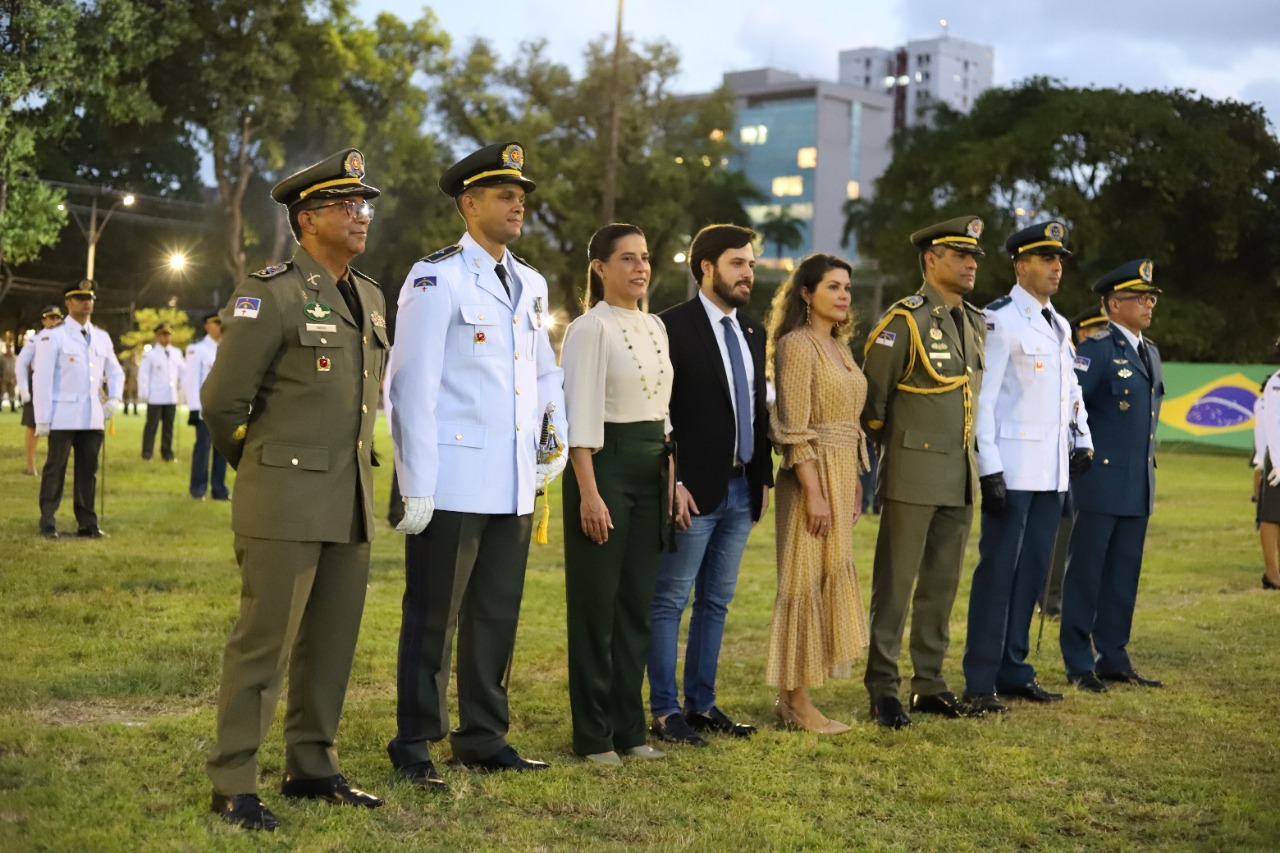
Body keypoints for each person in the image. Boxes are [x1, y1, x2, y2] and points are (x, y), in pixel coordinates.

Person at [201, 148, 387, 831]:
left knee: (330, 644)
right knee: (263, 644)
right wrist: (261, 465)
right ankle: (233, 782)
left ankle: (313, 766)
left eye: (364, 204)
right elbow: (223, 402)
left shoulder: (367, 295)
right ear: (306, 219)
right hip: (282, 500)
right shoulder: (269, 292)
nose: (361, 214)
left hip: (349, 499)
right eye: (347, 205)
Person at [386, 141, 567, 789]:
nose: (519, 202)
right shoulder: (436, 277)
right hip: (453, 480)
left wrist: (557, 433)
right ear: (469, 204)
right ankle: (414, 739)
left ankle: (483, 734)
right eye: (503, 193)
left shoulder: (532, 282)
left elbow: (544, 372)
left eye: (521, 194)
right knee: (434, 615)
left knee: (496, 613)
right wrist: (416, 481)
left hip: (513, 478)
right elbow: (408, 384)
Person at [646, 224, 772, 748]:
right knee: (670, 600)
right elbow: (659, 412)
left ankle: (702, 704)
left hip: (743, 489)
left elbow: (756, 414)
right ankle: (666, 711)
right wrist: (671, 480)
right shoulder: (668, 327)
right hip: (692, 491)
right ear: (706, 267)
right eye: (738, 264)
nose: (748, 273)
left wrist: (763, 476)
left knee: (717, 601)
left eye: (750, 264)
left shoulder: (752, 332)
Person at [860, 216, 987, 728]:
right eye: (960, 255)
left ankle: (929, 683)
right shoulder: (903, 321)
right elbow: (872, 403)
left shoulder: (974, 321)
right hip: (912, 469)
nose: (971, 264)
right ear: (930, 260)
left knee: (941, 585)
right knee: (895, 587)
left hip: (959, 472)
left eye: (974, 256)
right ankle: (883, 689)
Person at [962, 222, 1093, 713]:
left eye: (1060, 259)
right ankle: (980, 678)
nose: (1057, 267)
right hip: (1012, 472)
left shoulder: (1058, 324)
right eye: (1045, 259)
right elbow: (984, 400)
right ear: (1021, 266)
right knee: (999, 573)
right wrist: (989, 468)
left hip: (1052, 473)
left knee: (1033, 573)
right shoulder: (999, 320)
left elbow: (1070, 393)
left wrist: (1083, 440)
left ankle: (1014, 669)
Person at [560, 223, 673, 765]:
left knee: (635, 609)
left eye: (645, 257)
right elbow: (577, 417)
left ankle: (632, 731)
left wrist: (671, 484)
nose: (640, 267)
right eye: (626, 258)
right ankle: (594, 735)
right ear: (600, 267)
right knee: (595, 609)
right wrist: (588, 492)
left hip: (652, 472)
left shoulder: (655, 325)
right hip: (604, 469)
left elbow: (663, 412)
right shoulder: (589, 329)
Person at [766, 253, 869, 734]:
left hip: (841, 471)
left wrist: (852, 483)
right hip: (809, 477)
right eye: (832, 286)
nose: (844, 295)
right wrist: (816, 492)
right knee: (801, 582)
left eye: (847, 287)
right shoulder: (797, 345)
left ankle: (797, 695)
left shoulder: (841, 349)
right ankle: (796, 701)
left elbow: (849, 425)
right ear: (806, 294)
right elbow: (793, 427)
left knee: (826, 579)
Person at [1061, 259, 1166, 693]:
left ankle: (1114, 656)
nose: (1149, 304)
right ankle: (1079, 661)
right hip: (1100, 481)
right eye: (1140, 298)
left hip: (1138, 483)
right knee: (1086, 572)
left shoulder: (1151, 352)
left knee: (1124, 573)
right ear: (1113, 305)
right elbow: (1071, 404)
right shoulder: (1098, 350)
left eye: (1151, 297)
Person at [32, 281, 124, 539]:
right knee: (55, 469)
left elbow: (115, 370)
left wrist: (114, 398)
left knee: (88, 472)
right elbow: (42, 378)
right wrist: (42, 418)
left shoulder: (102, 337)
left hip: (92, 415)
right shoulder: (53, 336)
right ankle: (48, 521)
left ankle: (87, 523)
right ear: (68, 303)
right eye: (80, 298)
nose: (87, 302)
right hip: (62, 415)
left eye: (90, 298)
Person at [185, 312, 229, 500]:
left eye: (221, 323)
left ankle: (219, 489)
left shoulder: (227, 348)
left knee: (223, 452)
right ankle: (198, 489)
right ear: (206, 326)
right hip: (205, 409)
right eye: (215, 323)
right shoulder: (198, 349)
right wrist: (195, 407)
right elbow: (191, 380)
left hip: (224, 410)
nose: (219, 326)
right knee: (202, 451)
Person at [16, 306, 64, 476]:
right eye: (50, 318)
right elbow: (21, 363)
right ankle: (30, 465)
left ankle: (56, 466)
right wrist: (23, 389)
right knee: (32, 426)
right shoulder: (35, 340)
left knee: (59, 430)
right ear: (43, 320)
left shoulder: (64, 339)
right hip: (38, 384)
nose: (54, 321)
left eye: (57, 318)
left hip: (59, 386)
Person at [138, 322, 184, 461]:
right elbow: (143, 375)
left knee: (168, 427)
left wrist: (183, 390)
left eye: (168, 335)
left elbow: (184, 372)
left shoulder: (176, 353)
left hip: (171, 396)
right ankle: (147, 453)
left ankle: (167, 453)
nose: (167, 338)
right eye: (164, 335)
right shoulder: (150, 354)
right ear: (157, 336)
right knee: (151, 426)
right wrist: (144, 393)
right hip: (155, 396)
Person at [1256, 365, 1280, 589]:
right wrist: (1277, 462)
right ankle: (1272, 574)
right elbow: (1273, 425)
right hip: (1278, 457)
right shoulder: (1277, 381)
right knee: (1272, 516)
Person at [121, 350, 139, 415]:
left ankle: (135, 410)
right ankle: (126, 410)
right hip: (129, 383)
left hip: (136, 384)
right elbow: (126, 375)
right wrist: (125, 384)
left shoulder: (137, 366)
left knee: (135, 398)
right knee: (127, 397)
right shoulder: (128, 365)